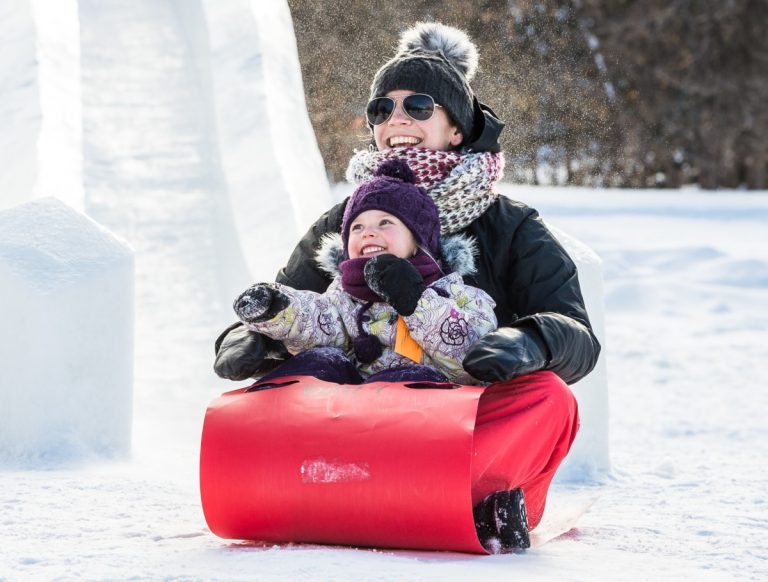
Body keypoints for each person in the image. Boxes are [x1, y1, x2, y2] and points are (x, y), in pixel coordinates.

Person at [213, 21, 600, 553]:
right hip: (354, 412)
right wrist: (251, 338)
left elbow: (575, 332)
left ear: (457, 128)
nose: (397, 118)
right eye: (382, 109)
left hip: (453, 418)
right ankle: (314, 487)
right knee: (270, 389)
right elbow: (294, 305)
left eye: (418, 106)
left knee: (550, 400)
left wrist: (531, 341)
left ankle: (475, 497)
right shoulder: (345, 222)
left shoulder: (508, 226)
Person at [232, 157, 497, 386]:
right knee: (318, 362)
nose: (369, 232)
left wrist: (418, 302)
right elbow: (319, 324)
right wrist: (278, 308)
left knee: (406, 378)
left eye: (385, 222)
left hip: (426, 420)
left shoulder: (458, 294)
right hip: (352, 423)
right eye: (357, 227)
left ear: (419, 241)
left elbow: (473, 360)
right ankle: (284, 429)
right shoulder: (343, 295)